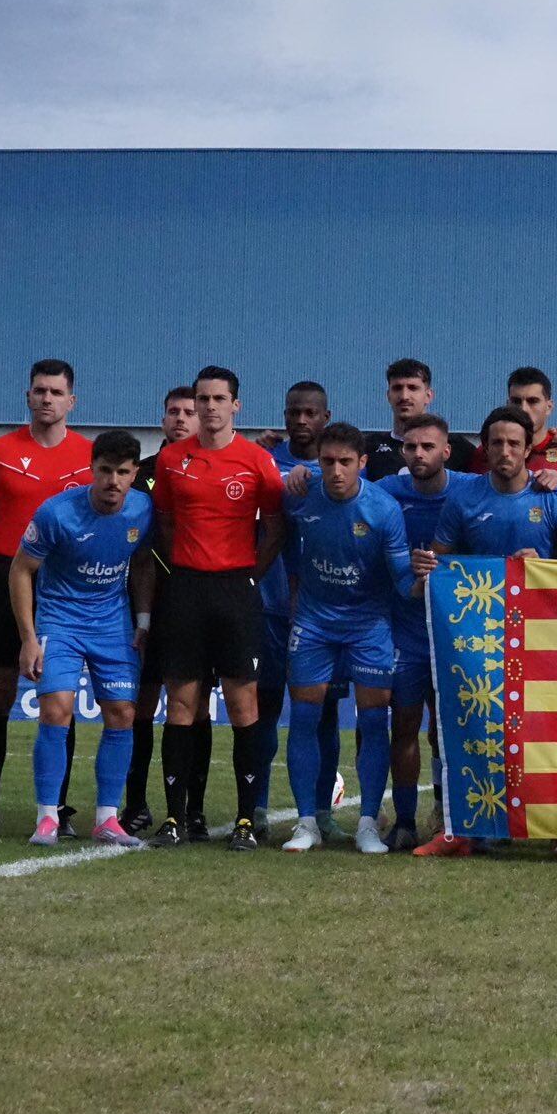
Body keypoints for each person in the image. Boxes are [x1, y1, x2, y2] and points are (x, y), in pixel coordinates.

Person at [414, 406, 557, 860]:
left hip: (543, 637)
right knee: (471, 728)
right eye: (497, 443)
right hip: (478, 640)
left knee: (547, 733)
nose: (506, 451)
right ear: (485, 446)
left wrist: (544, 568)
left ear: (530, 448)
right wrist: (425, 568)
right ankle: (461, 830)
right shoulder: (464, 500)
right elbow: (437, 565)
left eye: (515, 443)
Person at [0, 358, 92, 838]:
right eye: (39, 391)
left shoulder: (88, 459)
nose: (47, 399)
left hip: (63, 588)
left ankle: (58, 810)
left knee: (59, 698)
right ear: (28, 396)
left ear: (72, 400)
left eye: (56, 392)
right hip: (8, 577)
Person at [147, 364, 287, 852]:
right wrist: (185, 568)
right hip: (184, 590)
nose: (208, 407)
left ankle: (246, 821)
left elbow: (275, 527)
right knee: (182, 705)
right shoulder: (171, 460)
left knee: (241, 704)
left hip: (237, 591)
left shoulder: (257, 460)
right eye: (202, 399)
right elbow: (164, 524)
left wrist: (250, 573)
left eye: (218, 399)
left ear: (236, 405)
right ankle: (175, 818)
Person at [9, 430, 156, 848]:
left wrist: (142, 622)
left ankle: (108, 819)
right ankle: (47, 817)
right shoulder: (57, 514)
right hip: (61, 621)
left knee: (123, 714)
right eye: (105, 471)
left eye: (123, 472)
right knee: (57, 710)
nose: (113, 481)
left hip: (112, 624)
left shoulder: (143, 511)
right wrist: (29, 638)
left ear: (134, 475)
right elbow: (20, 571)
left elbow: (144, 562)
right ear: (92, 470)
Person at [278, 422, 413, 856]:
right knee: (304, 718)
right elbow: (275, 529)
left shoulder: (384, 509)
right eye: (328, 461)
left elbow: (403, 579)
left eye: (345, 462)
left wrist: (431, 577)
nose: (336, 471)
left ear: (363, 464)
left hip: (368, 626)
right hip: (314, 623)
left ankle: (369, 823)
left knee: (373, 722)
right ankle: (305, 823)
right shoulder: (301, 493)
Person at [373, 415, 483, 852]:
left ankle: (446, 812)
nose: (419, 454)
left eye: (428, 447)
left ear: (446, 451)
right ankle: (401, 820)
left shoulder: (471, 489)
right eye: (411, 447)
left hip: (457, 629)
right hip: (404, 629)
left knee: (450, 729)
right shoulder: (385, 493)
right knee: (402, 725)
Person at [121, 386, 218, 839]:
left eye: (188, 411)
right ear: (162, 420)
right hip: (142, 603)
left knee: (194, 709)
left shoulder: (210, 469)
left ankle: (192, 810)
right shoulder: (138, 473)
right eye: (173, 412)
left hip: (198, 602)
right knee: (137, 706)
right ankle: (135, 804)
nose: (181, 418)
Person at [257, 382, 343, 841]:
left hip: (326, 616)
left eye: (311, 413)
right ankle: (257, 810)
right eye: (294, 413)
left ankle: (321, 815)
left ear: (326, 417)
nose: (302, 420)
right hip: (271, 610)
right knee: (265, 711)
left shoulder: (341, 471)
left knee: (324, 717)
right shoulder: (265, 463)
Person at [366, 358, 477, 480]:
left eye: (413, 388)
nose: (404, 396)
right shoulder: (368, 447)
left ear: (428, 396)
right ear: (388, 396)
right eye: (397, 388)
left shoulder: (458, 448)